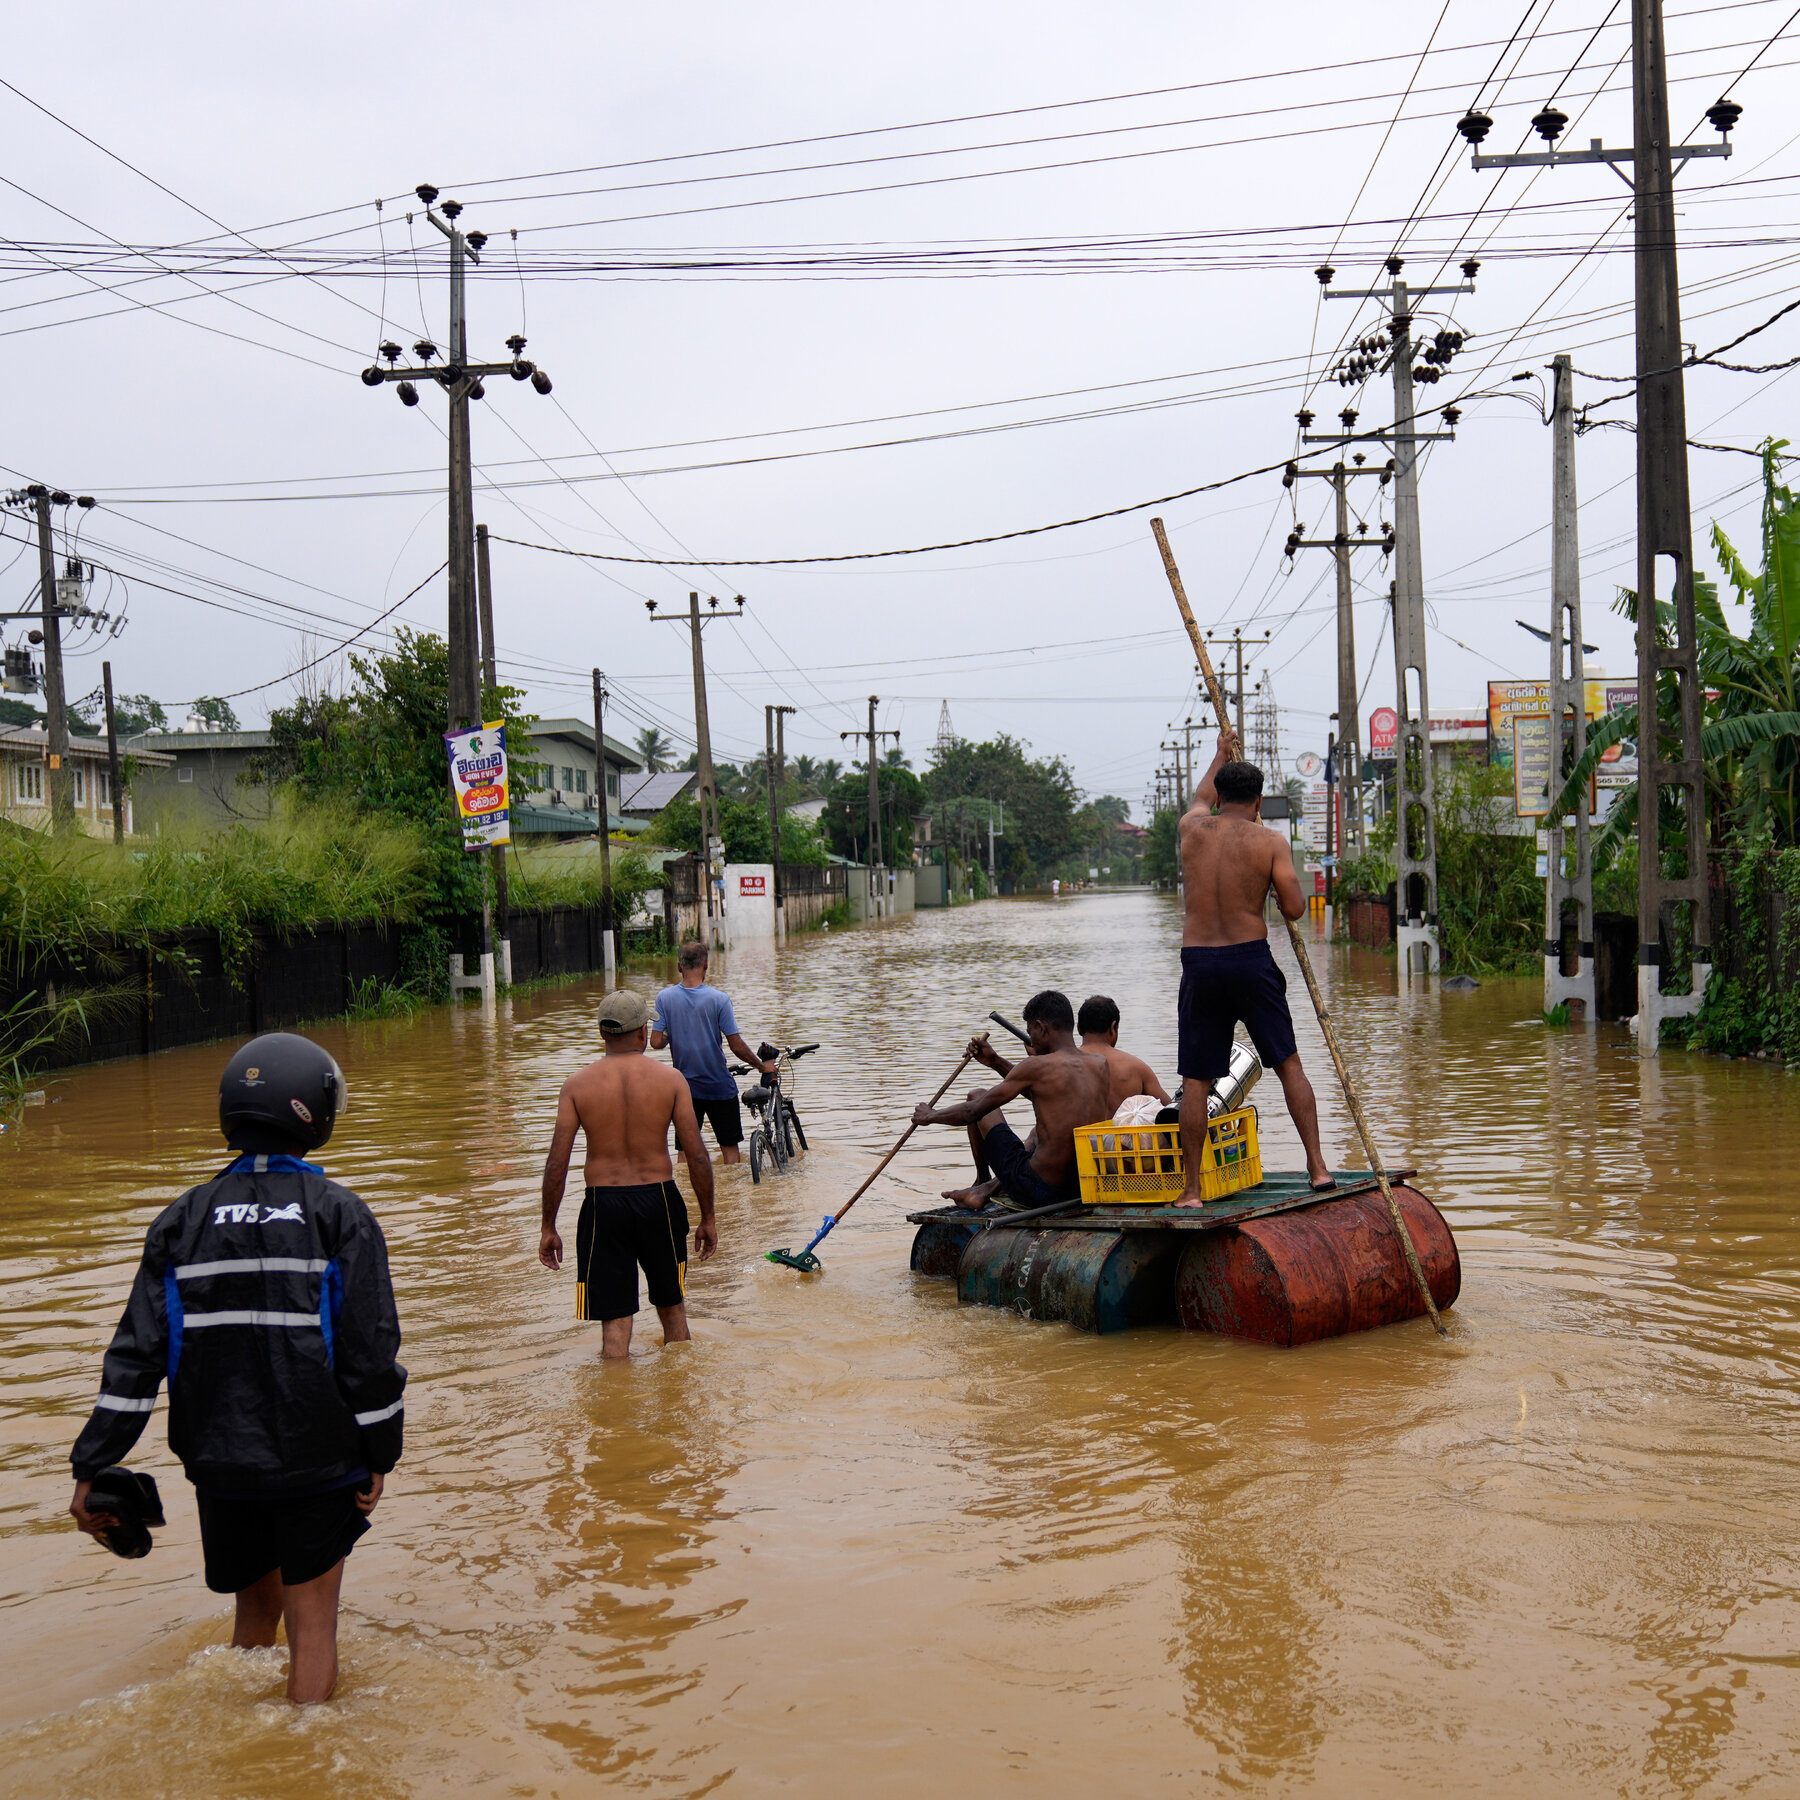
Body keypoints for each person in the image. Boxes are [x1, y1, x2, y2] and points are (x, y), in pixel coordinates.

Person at [67, 1032, 404, 1706]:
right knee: (314, 1627)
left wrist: (88, 1467)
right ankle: (306, 1758)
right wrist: (381, 1454)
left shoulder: (179, 1222)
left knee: (255, 1616)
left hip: (221, 1462)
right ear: (315, 1111)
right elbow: (369, 1356)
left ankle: (245, 1743)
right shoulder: (341, 1216)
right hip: (317, 1461)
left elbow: (135, 1358)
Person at [1176, 732, 1331, 1201]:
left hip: (1200, 963)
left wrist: (1220, 754)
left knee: (1196, 1080)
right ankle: (1318, 1168)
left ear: (1221, 797)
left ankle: (1191, 1189)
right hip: (1249, 960)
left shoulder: (1191, 829)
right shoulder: (1269, 841)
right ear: (1258, 800)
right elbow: (1295, 907)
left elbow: (1201, 797)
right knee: (1288, 1064)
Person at [539, 988, 718, 1359]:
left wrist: (548, 1226)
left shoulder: (576, 1086)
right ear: (642, 1033)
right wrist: (708, 1218)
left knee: (614, 1328)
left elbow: (557, 1162)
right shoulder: (671, 1081)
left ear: (603, 1034)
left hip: (603, 1206)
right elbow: (697, 1156)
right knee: (673, 1311)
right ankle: (681, 1402)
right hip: (659, 1202)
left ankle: (615, 1410)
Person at [912, 990, 1111, 1212]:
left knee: (976, 1095)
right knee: (1035, 1138)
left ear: (1041, 1027)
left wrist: (930, 1116)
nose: (1031, 1039)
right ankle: (984, 1187)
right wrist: (995, 1061)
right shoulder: (1099, 1064)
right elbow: (1047, 1094)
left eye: (1030, 1032)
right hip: (1083, 1187)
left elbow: (973, 1112)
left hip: (1039, 1190)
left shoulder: (1036, 1066)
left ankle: (980, 1184)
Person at [650, 941, 777, 1165]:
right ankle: (733, 1198)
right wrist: (761, 1066)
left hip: (684, 1090)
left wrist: (674, 1032)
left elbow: (656, 1042)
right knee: (730, 1151)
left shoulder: (664, 998)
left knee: (684, 1152)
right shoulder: (719, 999)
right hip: (719, 1087)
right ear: (706, 965)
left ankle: (687, 1198)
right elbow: (736, 1045)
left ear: (679, 967)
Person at [1076, 995, 1172, 1111]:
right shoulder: (1137, 1067)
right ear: (1113, 1027)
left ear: (1079, 1029)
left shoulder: (1063, 1066)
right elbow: (1170, 1111)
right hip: (1124, 1129)